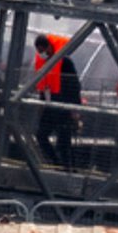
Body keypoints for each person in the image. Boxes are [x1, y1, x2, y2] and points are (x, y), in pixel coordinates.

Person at [32, 34, 82, 169]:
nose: (42, 54)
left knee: (64, 141)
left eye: (43, 50)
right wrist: (41, 104)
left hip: (64, 107)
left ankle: (68, 169)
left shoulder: (65, 62)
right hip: (49, 107)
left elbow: (75, 86)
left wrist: (74, 109)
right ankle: (56, 163)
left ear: (49, 46)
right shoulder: (42, 63)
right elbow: (43, 86)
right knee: (41, 135)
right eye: (39, 51)